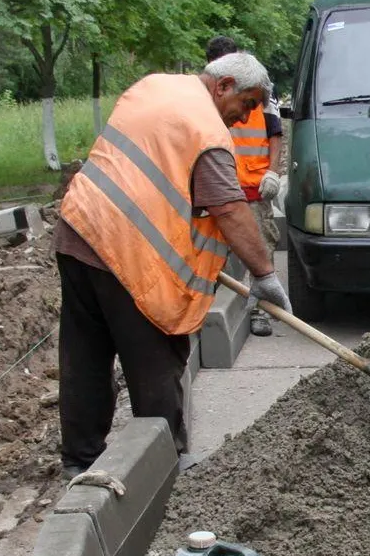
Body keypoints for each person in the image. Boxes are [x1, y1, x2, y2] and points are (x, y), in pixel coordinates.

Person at [53, 52, 292, 479]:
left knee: (85, 355)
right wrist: (265, 274)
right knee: (158, 356)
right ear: (223, 87)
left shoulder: (154, 86)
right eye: (247, 103)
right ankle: (167, 462)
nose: (245, 117)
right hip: (127, 253)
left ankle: (80, 459)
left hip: (79, 230)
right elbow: (231, 210)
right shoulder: (206, 129)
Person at [206, 36, 288, 337]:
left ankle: (261, 311)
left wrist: (272, 172)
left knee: (259, 245)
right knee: (210, 248)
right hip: (219, 183)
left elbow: (275, 132)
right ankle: (204, 309)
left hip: (253, 185)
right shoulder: (209, 93)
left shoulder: (259, 88)